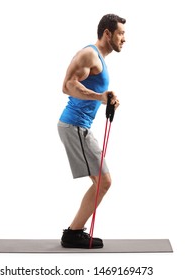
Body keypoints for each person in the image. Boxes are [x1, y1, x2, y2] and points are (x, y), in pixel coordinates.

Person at [57, 14, 126, 249]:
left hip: (79, 126)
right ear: (107, 33)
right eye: (120, 33)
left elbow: (91, 90)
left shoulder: (100, 60)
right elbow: (67, 85)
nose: (124, 39)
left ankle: (74, 232)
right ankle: (73, 233)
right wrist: (99, 97)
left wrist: (108, 99)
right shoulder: (89, 54)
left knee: (102, 181)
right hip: (74, 125)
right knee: (104, 181)